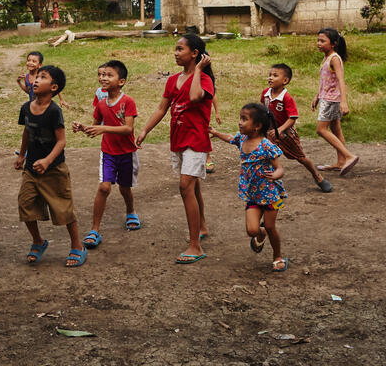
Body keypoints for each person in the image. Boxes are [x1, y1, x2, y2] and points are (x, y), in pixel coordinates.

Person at [137, 33, 214, 264]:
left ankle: (195, 245)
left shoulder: (205, 81)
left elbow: (194, 97)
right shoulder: (172, 80)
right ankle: (202, 226)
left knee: (185, 186)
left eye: (180, 49)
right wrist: (145, 130)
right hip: (178, 138)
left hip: (196, 139)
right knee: (193, 184)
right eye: (175, 49)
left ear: (195, 54)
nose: (175, 53)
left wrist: (199, 71)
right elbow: (162, 109)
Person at [16, 65, 85, 267]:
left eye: (42, 77)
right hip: (31, 168)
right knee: (25, 204)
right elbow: (27, 132)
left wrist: (47, 161)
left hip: (54, 168)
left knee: (63, 208)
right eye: (36, 77)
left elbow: (61, 141)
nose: (36, 80)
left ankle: (77, 245)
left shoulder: (54, 111)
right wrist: (22, 155)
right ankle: (38, 241)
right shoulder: (26, 108)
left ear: (53, 87)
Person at [210, 103, 289, 272]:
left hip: (270, 195)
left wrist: (276, 175)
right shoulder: (243, 139)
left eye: (244, 119)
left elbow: (280, 168)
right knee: (252, 230)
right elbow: (231, 138)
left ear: (257, 126)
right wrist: (216, 133)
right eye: (240, 118)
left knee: (270, 226)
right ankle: (261, 235)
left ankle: (277, 256)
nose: (239, 122)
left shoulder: (266, 145)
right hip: (252, 195)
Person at [74, 60, 139, 248]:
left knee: (125, 188)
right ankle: (95, 229)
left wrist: (102, 129)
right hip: (108, 153)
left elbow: (128, 129)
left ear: (121, 81)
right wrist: (83, 127)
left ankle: (130, 211)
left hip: (127, 153)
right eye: (102, 74)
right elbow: (96, 126)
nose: (103, 77)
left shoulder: (128, 101)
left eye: (109, 75)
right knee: (104, 188)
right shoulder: (101, 104)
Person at [262, 64, 332, 193]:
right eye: (270, 75)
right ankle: (269, 182)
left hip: (287, 134)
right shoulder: (265, 94)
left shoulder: (286, 98)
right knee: (267, 156)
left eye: (275, 75)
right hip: (271, 133)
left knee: (300, 157)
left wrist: (281, 130)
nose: (270, 78)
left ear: (285, 81)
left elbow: (293, 118)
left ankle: (318, 177)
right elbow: (263, 111)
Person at [312, 28, 359, 177]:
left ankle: (348, 156)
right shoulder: (326, 57)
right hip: (327, 97)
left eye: (322, 41)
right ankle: (340, 162)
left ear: (333, 44)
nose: (319, 43)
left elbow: (340, 80)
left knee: (321, 129)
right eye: (318, 40)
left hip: (332, 100)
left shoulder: (334, 58)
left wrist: (343, 102)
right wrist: (317, 96)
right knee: (336, 129)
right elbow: (326, 81)